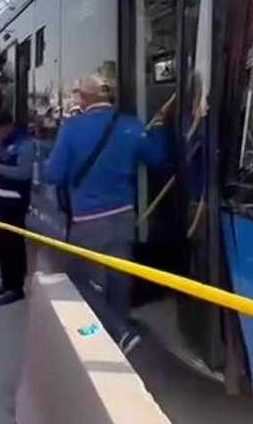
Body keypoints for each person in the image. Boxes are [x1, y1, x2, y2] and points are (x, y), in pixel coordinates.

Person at [44, 74, 170, 353]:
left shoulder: (72, 128)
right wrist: (160, 125)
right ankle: (120, 328)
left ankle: (118, 330)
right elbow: (158, 158)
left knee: (76, 278)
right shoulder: (130, 125)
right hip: (124, 215)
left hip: (88, 220)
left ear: (85, 98)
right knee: (119, 277)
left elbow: (53, 174)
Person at [0, 110, 36, 307]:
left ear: (5, 127)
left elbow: (24, 172)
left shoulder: (25, 144)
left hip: (15, 202)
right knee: (1, 243)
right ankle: (6, 282)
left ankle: (16, 287)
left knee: (14, 245)